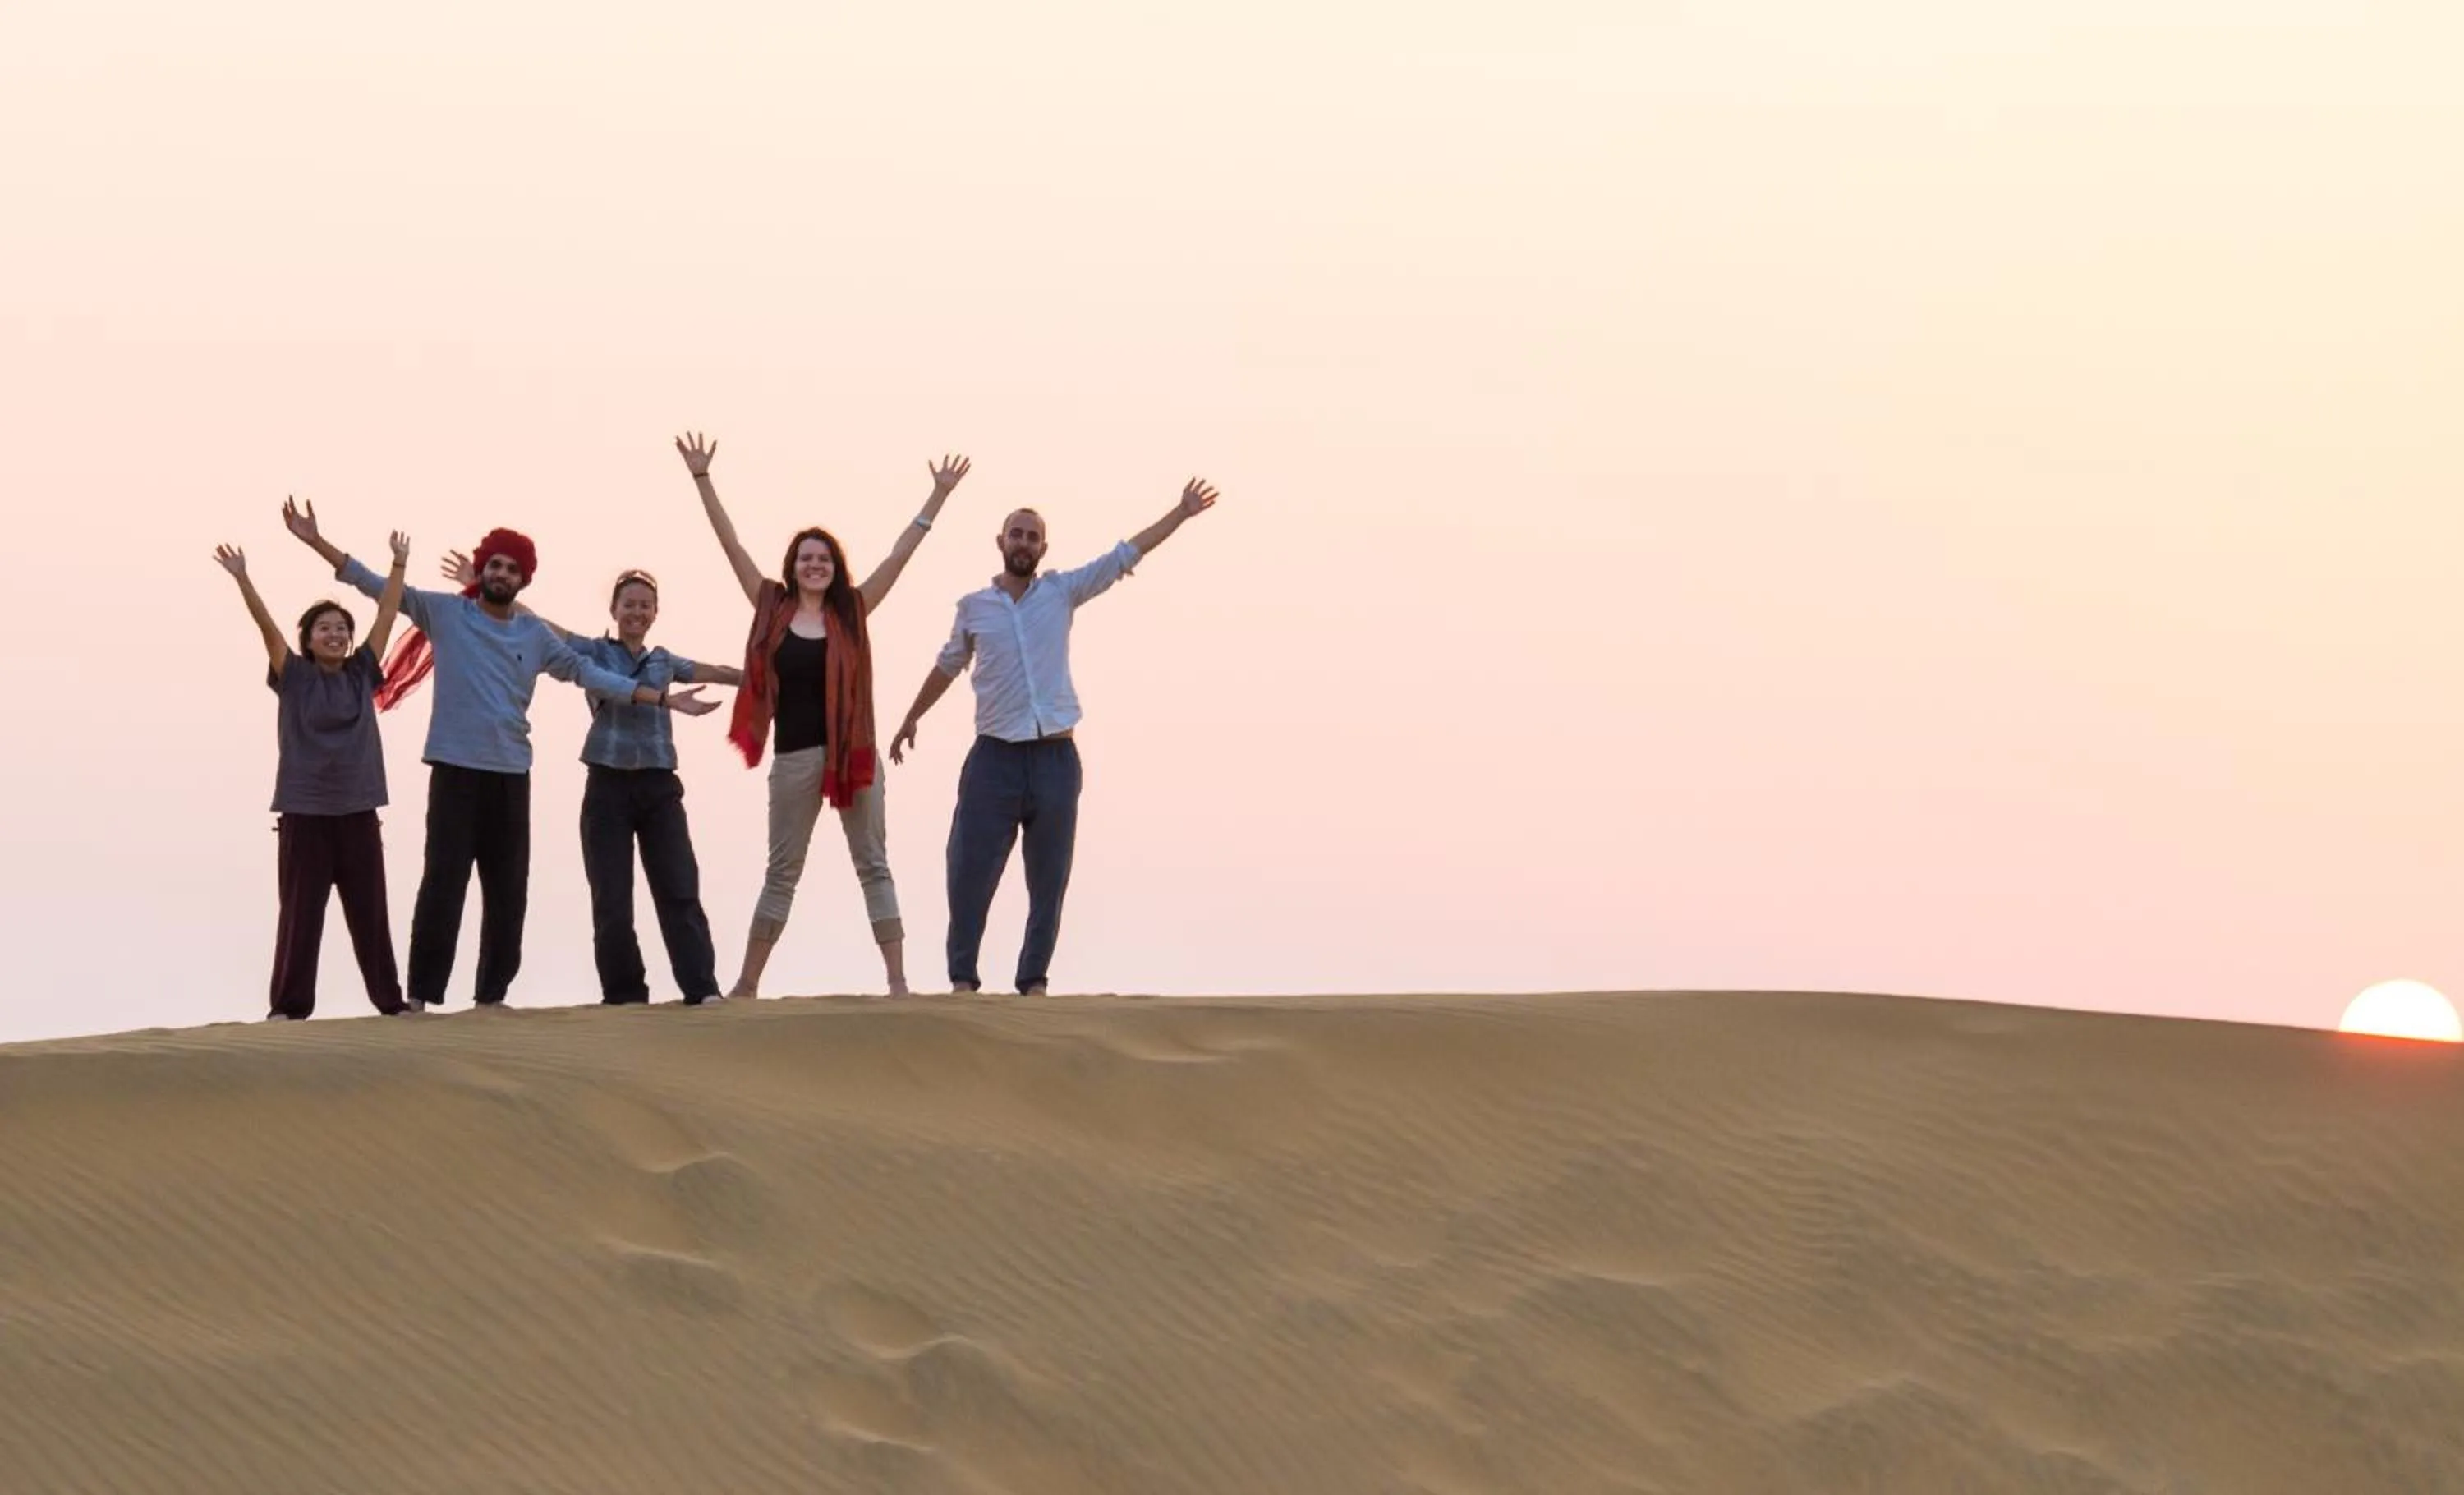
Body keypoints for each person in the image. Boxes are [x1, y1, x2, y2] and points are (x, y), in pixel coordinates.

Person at [281, 496, 715, 1010]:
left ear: (523, 579)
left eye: (512, 568)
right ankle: (421, 995)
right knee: (443, 883)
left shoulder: (533, 635)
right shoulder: (446, 613)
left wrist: (659, 697)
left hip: (511, 772)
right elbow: (377, 586)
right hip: (454, 768)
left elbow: (589, 674)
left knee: (509, 892)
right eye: (495, 565)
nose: (502, 574)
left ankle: (491, 996)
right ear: (482, 569)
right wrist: (316, 542)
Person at [889, 479, 1221, 995]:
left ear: (1043, 549)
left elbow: (1123, 555)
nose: (1023, 543)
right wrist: (913, 716)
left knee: (1049, 879)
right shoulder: (974, 607)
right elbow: (948, 665)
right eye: (1016, 534)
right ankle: (962, 980)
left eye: (1033, 537)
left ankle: (1034, 982)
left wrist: (1179, 512)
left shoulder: (1062, 592)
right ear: (1000, 542)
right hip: (994, 757)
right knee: (968, 871)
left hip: (1055, 758)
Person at [674, 431, 970, 999]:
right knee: (782, 872)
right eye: (806, 558)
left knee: (873, 864)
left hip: (853, 756)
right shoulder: (772, 606)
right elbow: (730, 544)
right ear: (793, 567)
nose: (815, 565)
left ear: (836, 567)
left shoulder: (854, 610)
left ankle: (899, 982)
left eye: (824, 558)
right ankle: (746, 984)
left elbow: (899, 556)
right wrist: (702, 479)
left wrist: (938, 497)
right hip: (793, 759)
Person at [439, 557, 741, 1006]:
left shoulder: (663, 661)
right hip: (607, 786)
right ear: (614, 610)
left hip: (660, 787)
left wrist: (767, 677)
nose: (637, 613)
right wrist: (476, 586)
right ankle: (624, 993)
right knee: (612, 898)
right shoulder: (595, 652)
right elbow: (544, 628)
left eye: (645, 606)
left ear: (656, 613)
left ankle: (702, 988)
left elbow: (716, 671)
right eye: (629, 604)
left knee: (679, 887)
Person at [214, 532, 415, 1021]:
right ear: (307, 639)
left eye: (342, 629)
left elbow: (386, 617)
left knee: (370, 914)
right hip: (305, 814)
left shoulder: (361, 673)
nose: (336, 635)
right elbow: (267, 630)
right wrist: (244, 579)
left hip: (358, 812)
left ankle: (391, 1002)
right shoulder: (296, 676)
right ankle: (287, 1008)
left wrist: (398, 566)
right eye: (324, 628)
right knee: (301, 916)